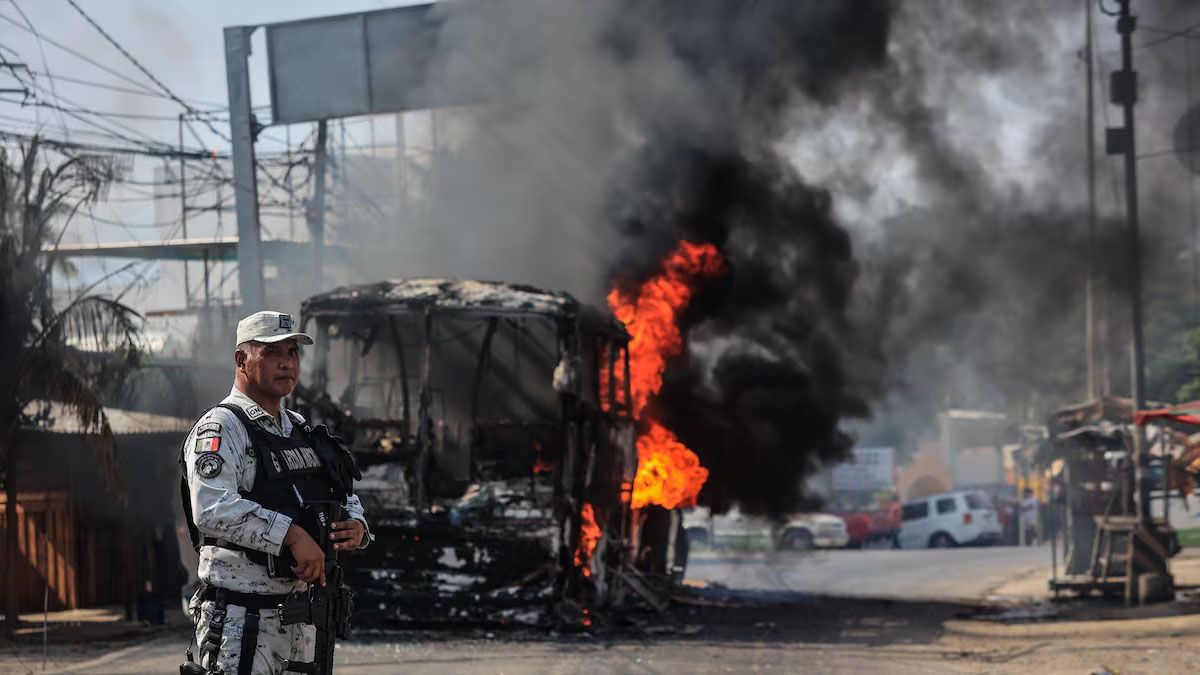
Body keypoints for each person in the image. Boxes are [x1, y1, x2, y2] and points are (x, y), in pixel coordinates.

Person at [180, 311, 370, 675]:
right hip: (241, 621)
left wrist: (357, 524)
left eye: (293, 353)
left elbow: (339, 489)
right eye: (271, 353)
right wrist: (291, 534)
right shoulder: (223, 427)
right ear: (242, 360)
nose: (286, 363)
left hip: (301, 617)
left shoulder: (297, 428)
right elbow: (211, 508)